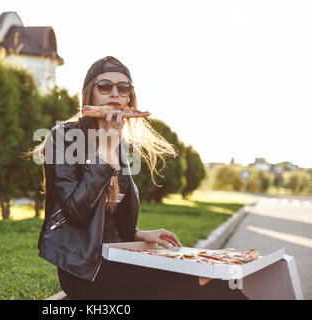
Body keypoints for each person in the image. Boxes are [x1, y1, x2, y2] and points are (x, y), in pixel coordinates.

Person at [32, 56, 247, 300]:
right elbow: (75, 212)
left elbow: (109, 218)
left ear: (129, 98)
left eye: (123, 88)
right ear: (89, 94)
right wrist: (105, 154)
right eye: (105, 86)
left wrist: (138, 234)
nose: (115, 93)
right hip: (84, 269)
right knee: (200, 285)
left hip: (121, 254)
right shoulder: (63, 137)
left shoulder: (119, 141)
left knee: (221, 279)